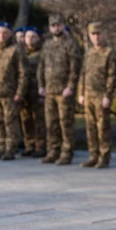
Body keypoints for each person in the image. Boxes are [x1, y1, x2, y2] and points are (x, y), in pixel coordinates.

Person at [38, 13, 82, 165]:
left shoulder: (70, 44)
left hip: (64, 91)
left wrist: (71, 86)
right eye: (53, 25)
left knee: (65, 123)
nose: (56, 28)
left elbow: (75, 67)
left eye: (58, 25)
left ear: (63, 26)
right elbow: (41, 66)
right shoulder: (47, 45)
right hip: (49, 90)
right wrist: (41, 85)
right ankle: (53, 151)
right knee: (51, 123)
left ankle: (66, 152)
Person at [77, 22, 116, 168]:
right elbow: (83, 73)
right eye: (93, 34)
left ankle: (104, 156)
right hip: (88, 94)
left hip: (101, 95)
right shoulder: (88, 52)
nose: (96, 37)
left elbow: (112, 76)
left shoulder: (109, 53)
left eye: (98, 34)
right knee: (90, 127)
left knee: (103, 127)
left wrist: (108, 95)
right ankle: (93, 155)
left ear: (104, 34)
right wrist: (81, 93)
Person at [0, 22, 27, 161]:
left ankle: (10, 148)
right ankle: (1, 146)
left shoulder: (16, 50)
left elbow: (23, 73)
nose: (2, 36)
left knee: (10, 121)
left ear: (10, 34)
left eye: (5, 33)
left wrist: (20, 92)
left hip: (10, 93)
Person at [20, 27, 46, 158]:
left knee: (39, 120)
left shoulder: (43, 53)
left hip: (37, 91)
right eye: (27, 37)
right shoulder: (21, 53)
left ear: (38, 38)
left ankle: (40, 146)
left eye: (33, 37)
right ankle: (29, 145)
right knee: (26, 119)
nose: (30, 40)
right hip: (25, 91)